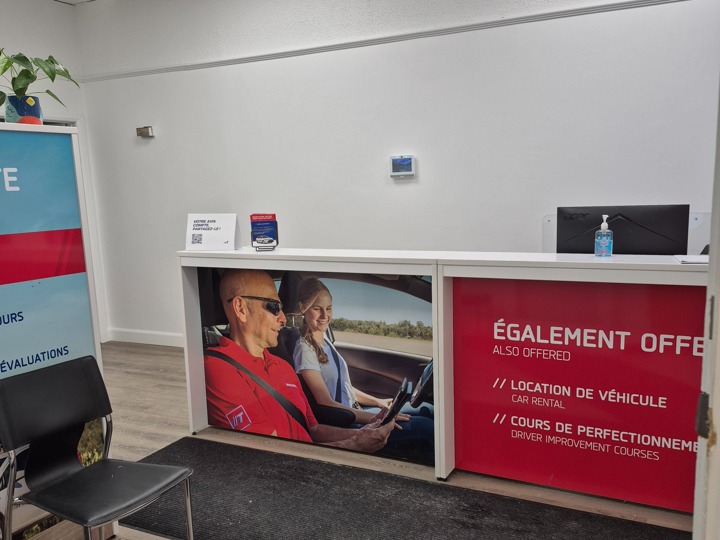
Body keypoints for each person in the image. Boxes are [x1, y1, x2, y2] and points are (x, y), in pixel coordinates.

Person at [204, 268, 394, 453]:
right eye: (274, 307)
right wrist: (356, 444)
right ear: (241, 308)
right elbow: (270, 456)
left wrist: (362, 433)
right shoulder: (219, 369)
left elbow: (313, 430)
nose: (283, 318)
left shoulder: (283, 366)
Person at [292, 277, 435, 464]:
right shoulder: (304, 349)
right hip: (345, 421)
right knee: (426, 428)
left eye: (329, 308)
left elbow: (346, 387)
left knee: (427, 410)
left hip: (354, 410)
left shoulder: (324, 341)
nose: (324, 315)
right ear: (303, 308)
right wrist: (373, 418)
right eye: (317, 308)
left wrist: (379, 402)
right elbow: (324, 402)